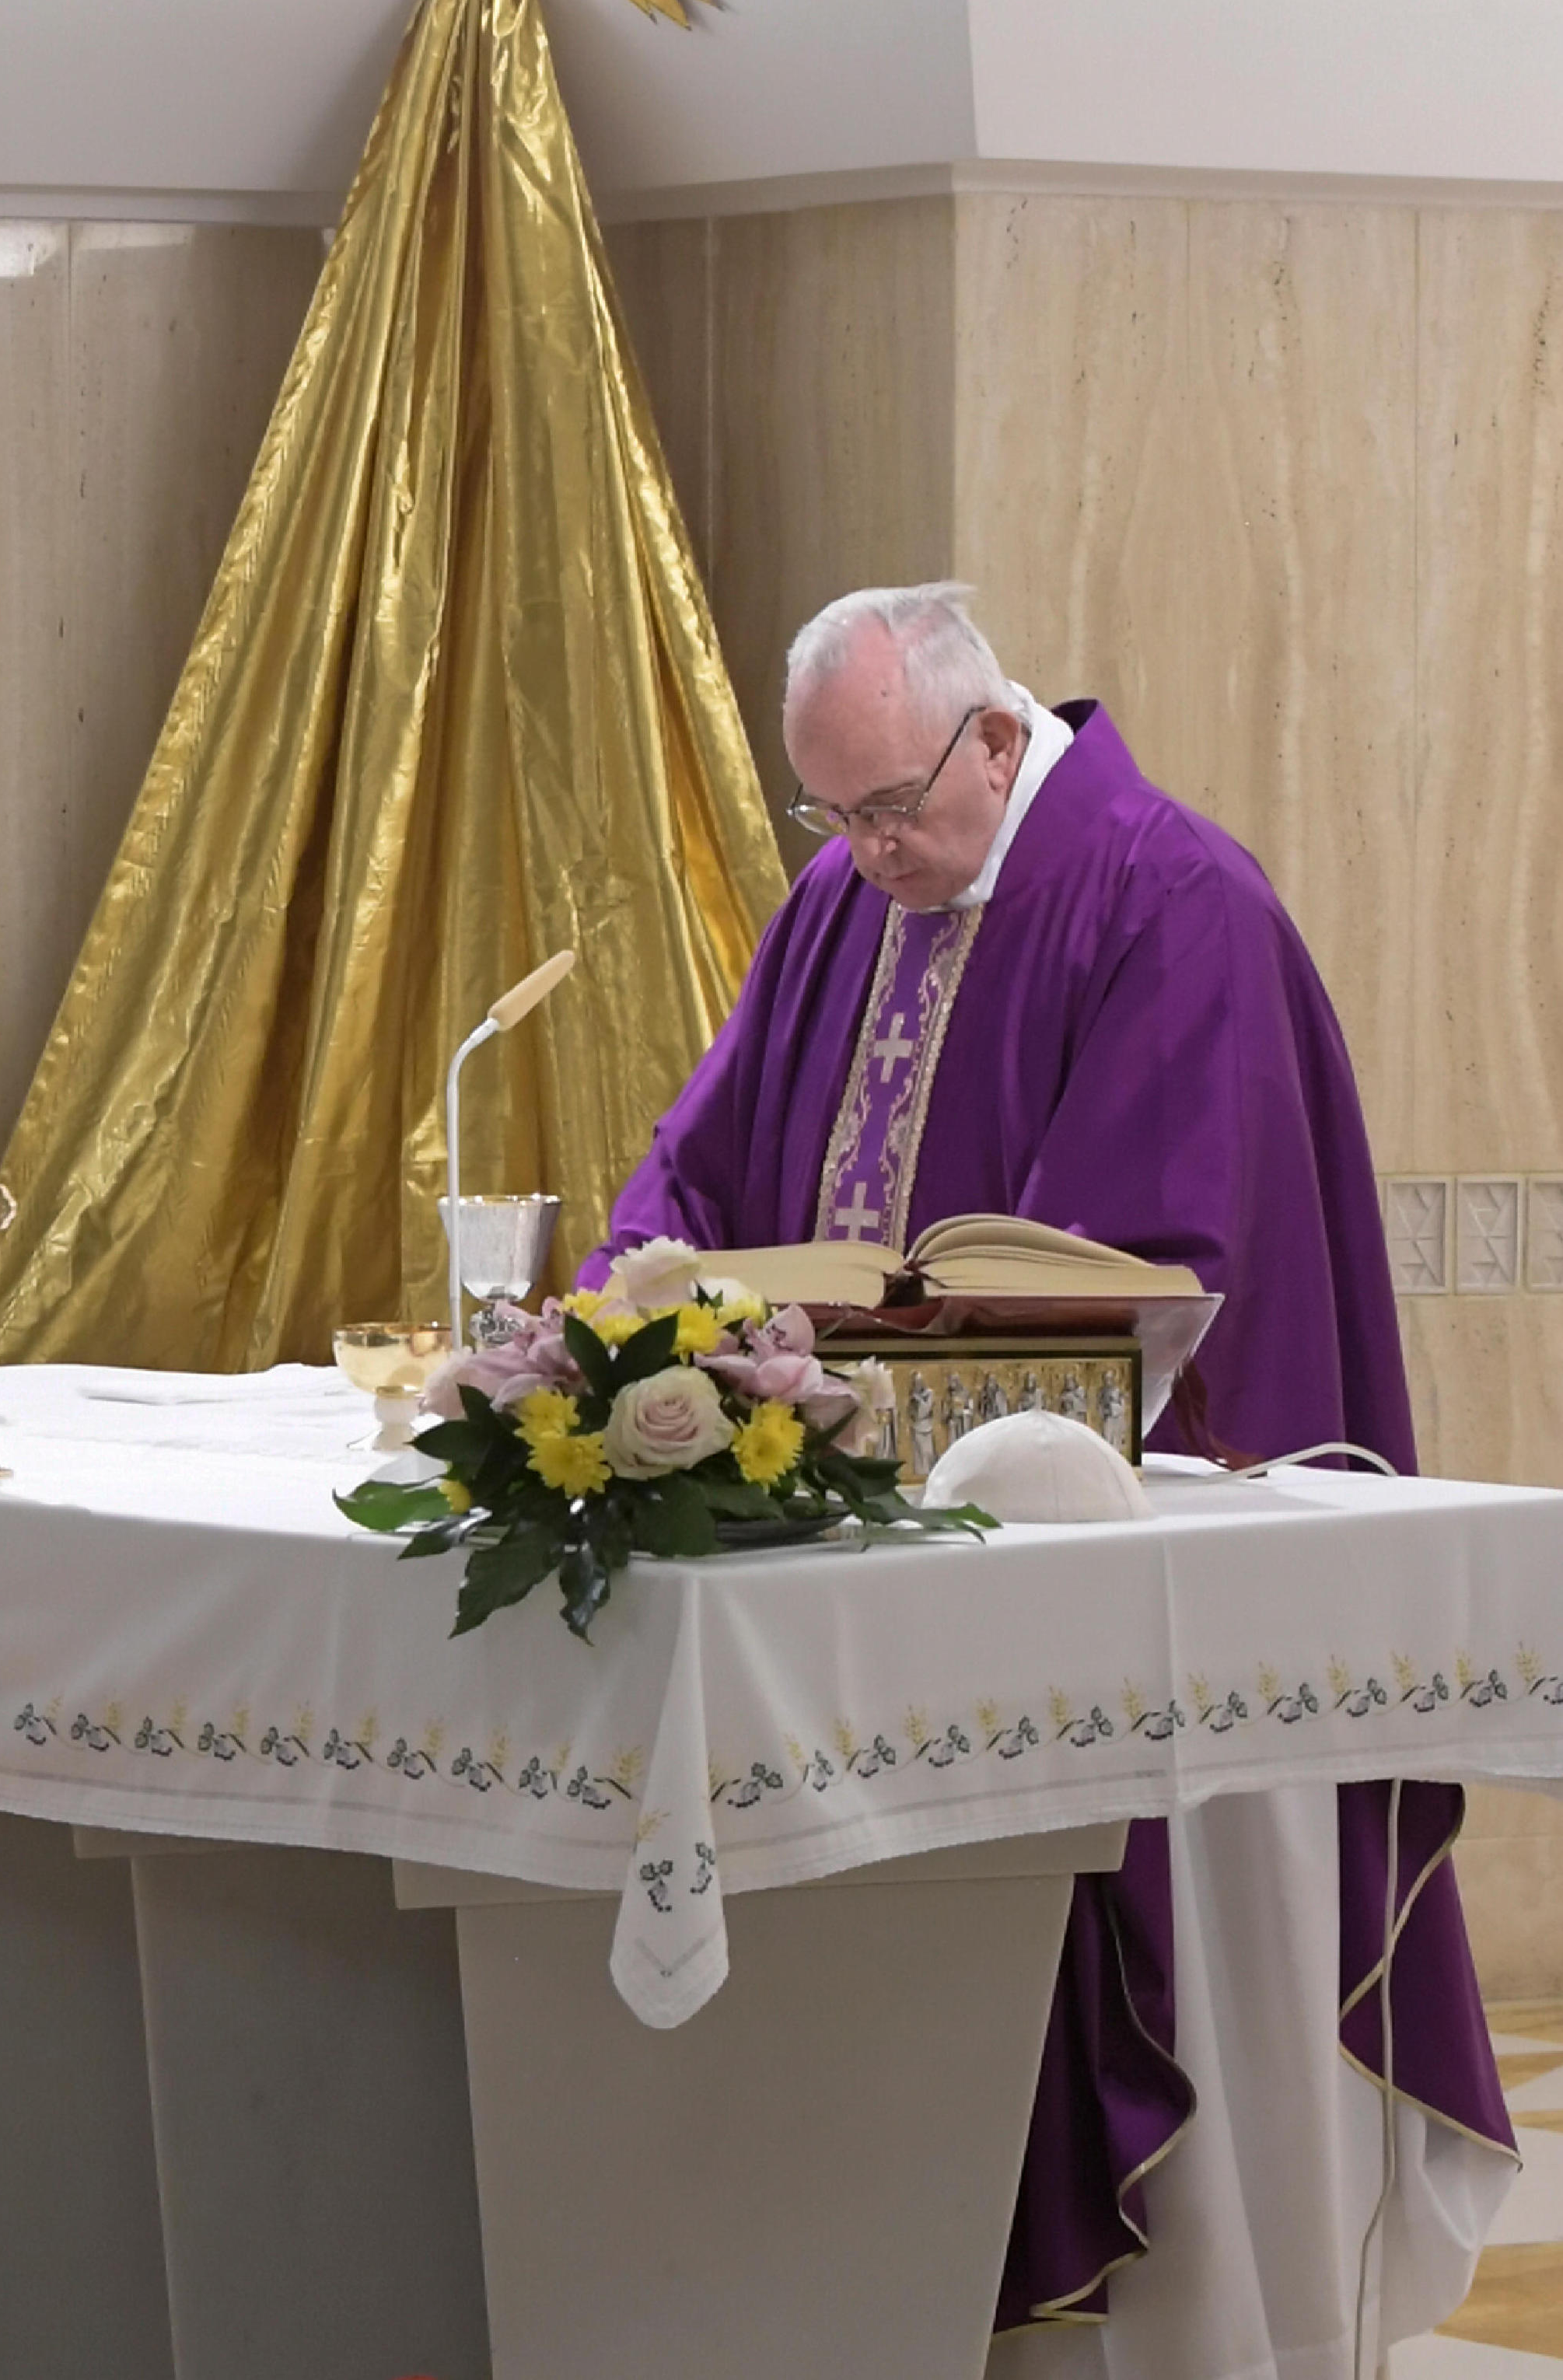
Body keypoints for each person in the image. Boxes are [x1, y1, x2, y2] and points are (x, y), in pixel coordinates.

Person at [584, 583, 1515, 2380]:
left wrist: (850, 1364)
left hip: (1123, 1582)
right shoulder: (842, 902)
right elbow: (695, 1159)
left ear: (996, 737)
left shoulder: (1168, 899)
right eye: (827, 814)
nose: (862, 853)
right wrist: (642, 1299)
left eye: (885, 808)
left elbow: (1149, 1271)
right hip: (866, 1560)